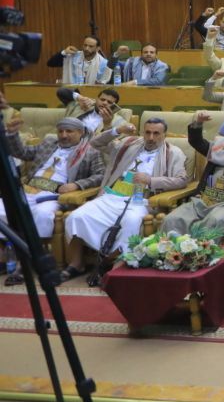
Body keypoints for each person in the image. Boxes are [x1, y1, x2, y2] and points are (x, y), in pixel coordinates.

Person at [57, 119, 190, 285]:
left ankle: (115, 265)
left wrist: (151, 180)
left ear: (164, 135)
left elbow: (182, 180)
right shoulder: (129, 144)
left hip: (141, 200)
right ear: (142, 132)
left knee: (131, 222)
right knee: (76, 216)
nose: (151, 137)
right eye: (147, 132)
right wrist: (117, 130)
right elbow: (95, 143)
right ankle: (77, 264)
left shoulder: (173, 152)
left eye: (156, 133)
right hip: (111, 196)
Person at [1, 116, 104, 277]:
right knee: (2, 209)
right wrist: (13, 135)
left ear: (80, 132)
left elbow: (100, 175)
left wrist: (77, 185)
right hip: (28, 189)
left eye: (69, 131)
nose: (63, 135)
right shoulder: (49, 144)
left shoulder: (90, 152)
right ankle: (6, 257)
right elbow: (22, 153)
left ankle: (30, 258)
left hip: (54, 195)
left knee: (43, 214)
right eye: (60, 131)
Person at [47, 36, 112, 85]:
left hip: (91, 94)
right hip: (71, 92)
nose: (86, 48)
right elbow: (50, 63)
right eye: (85, 45)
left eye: (91, 46)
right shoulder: (74, 56)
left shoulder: (103, 63)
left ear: (97, 48)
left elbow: (104, 82)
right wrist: (64, 52)